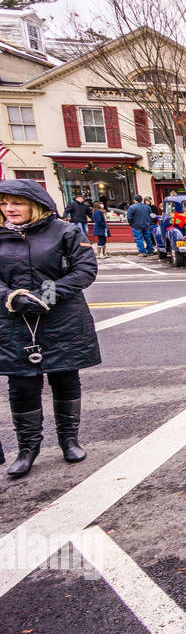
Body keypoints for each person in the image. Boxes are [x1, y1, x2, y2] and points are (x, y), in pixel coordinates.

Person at [0, 179, 101, 478]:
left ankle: (69, 440)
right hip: (14, 321)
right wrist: (13, 297)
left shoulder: (66, 232)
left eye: (16, 203)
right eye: (4, 202)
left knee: (65, 378)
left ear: (36, 204)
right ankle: (27, 448)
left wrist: (45, 294)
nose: (9, 208)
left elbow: (85, 270)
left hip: (61, 319)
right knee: (21, 385)